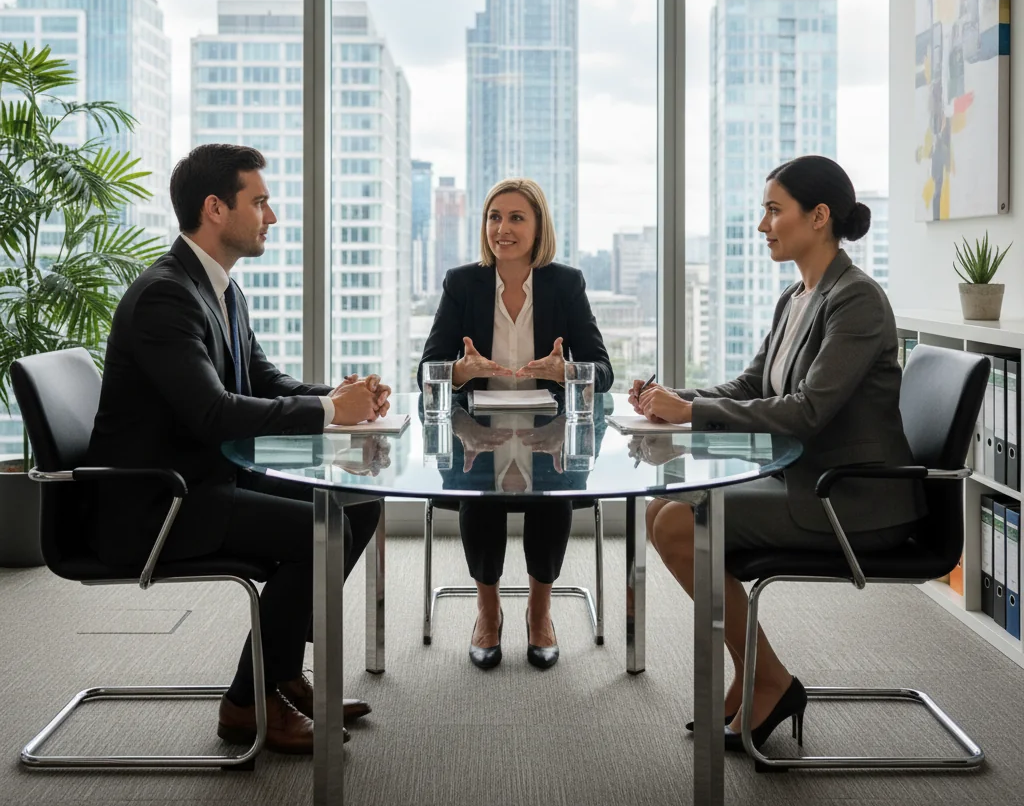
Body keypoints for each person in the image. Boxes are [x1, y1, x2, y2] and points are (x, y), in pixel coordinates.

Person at [86, 144, 392, 755]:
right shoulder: (165, 298)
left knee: (357, 504)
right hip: (158, 502)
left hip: (207, 481)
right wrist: (333, 413)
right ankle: (246, 703)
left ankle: (275, 673)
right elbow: (213, 413)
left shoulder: (220, 289)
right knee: (318, 531)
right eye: (260, 202)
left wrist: (341, 394)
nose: (271, 217)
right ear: (215, 209)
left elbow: (264, 383)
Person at [629, 155, 924, 752]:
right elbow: (753, 386)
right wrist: (674, 400)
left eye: (773, 210)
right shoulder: (796, 297)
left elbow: (808, 410)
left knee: (683, 523)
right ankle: (760, 674)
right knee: (661, 510)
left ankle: (769, 680)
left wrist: (690, 414)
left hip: (849, 496)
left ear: (818, 217)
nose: (762, 226)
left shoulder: (857, 301)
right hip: (805, 478)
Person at [418, 177, 613, 670]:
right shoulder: (462, 283)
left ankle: (540, 612)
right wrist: (461, 371)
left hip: (548, 425)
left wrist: (565, 372)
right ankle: (488, 612)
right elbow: (426, 371)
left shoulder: (565, 283)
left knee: (553, 489)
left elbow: (603, 372)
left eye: (516, 218)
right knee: (478, 489)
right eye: (494, 217)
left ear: (538, 226)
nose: (502, 229)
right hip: (476, 422)